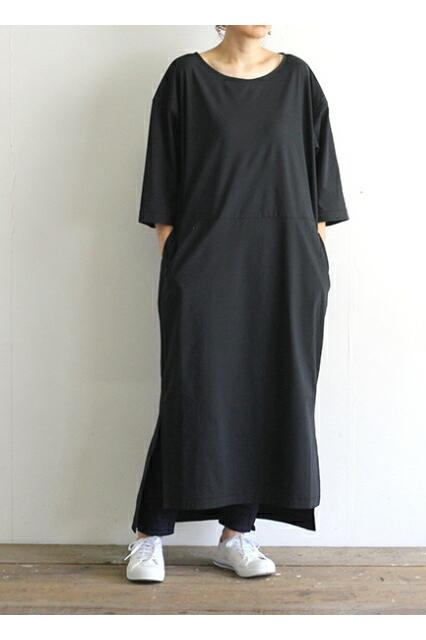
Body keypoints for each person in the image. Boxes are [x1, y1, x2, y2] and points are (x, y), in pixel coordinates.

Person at [124, 25, 349, 582]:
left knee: (267, 390)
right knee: (193, 391)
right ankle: (149, 534)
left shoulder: (299, 80)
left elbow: (321, 180)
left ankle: (237, 533)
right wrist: (176, 255)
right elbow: (163, 177)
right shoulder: (185, 78)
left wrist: (312, 251)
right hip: (205, 262)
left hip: (286, 263)